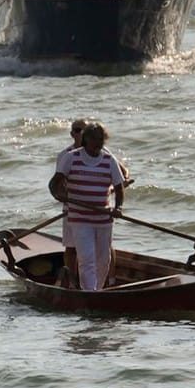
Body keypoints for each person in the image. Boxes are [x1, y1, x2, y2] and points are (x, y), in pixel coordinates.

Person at [49, 122, 127, 291]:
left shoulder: (109, 160)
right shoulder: (71, 157)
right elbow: (54, 183)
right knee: (87, 258)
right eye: (95, 139)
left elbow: (119, 188)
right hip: (79, 218)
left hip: (104, 218)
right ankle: (89, 292)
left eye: (101, 139)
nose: (99, 143)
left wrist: (118, 207)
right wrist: (61, 196)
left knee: (103, 260)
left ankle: (96, 290)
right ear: (86, 140)